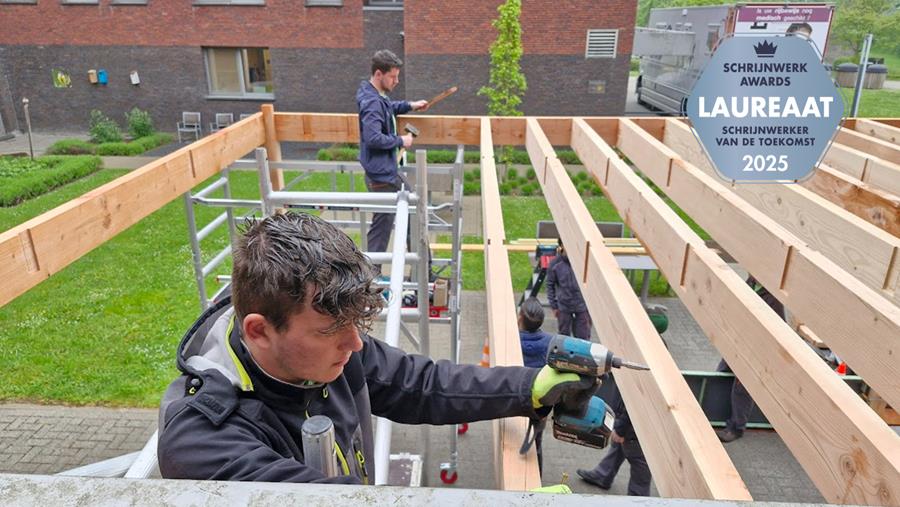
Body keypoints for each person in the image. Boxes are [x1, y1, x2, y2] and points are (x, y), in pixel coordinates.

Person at [157, 212, 597, 483]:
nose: (355, 344)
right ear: (259, 331)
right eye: (331, 330)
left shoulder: (334, 349)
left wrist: (528, 389)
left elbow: (420, 383)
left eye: (357, 325)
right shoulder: (203, 440)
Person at [576, 311, 667, 496]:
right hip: (635, 420)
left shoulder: (642, 358)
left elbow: (636, 402)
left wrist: (620, 428)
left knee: (639, 460)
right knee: (619, 447)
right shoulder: (654, 348)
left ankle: (638, 499)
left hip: (637, 424)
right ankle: (603, 474)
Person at [356, 49, 429, 257]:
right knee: (384, 229)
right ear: (379, 74)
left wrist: (411, 106)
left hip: (383, 172)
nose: (396, 81)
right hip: (383, 176)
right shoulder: (372, 103)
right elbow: (373, 138)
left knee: (405, 218)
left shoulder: (374, 94)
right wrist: (401, 140)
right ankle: (372, 279)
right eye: (393, 76)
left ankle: (375, 277)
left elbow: (388, 107)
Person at [716, 275, 785, 443]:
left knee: (742, 387)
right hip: (739, 341)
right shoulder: (751, 284)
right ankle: (714, 412)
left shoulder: (773, 298)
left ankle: (736, 428)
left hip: (756, 348)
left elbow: (779, 329)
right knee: (720, 374)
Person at [518, 297, 554, 474]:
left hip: (513, 399)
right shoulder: (551, 342)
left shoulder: (510, 341)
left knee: (512, 439)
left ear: (519, 318)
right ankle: (536, 476)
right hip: (540, 405)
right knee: (536, 443)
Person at [546, 240, 591, 340]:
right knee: (563, 339)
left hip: (581, 307)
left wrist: (590, 307)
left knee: (583, 338)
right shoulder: (555, 264)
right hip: (563, 308)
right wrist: (554, 306)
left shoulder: (583, 261)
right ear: (562, 245)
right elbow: (550, 285)